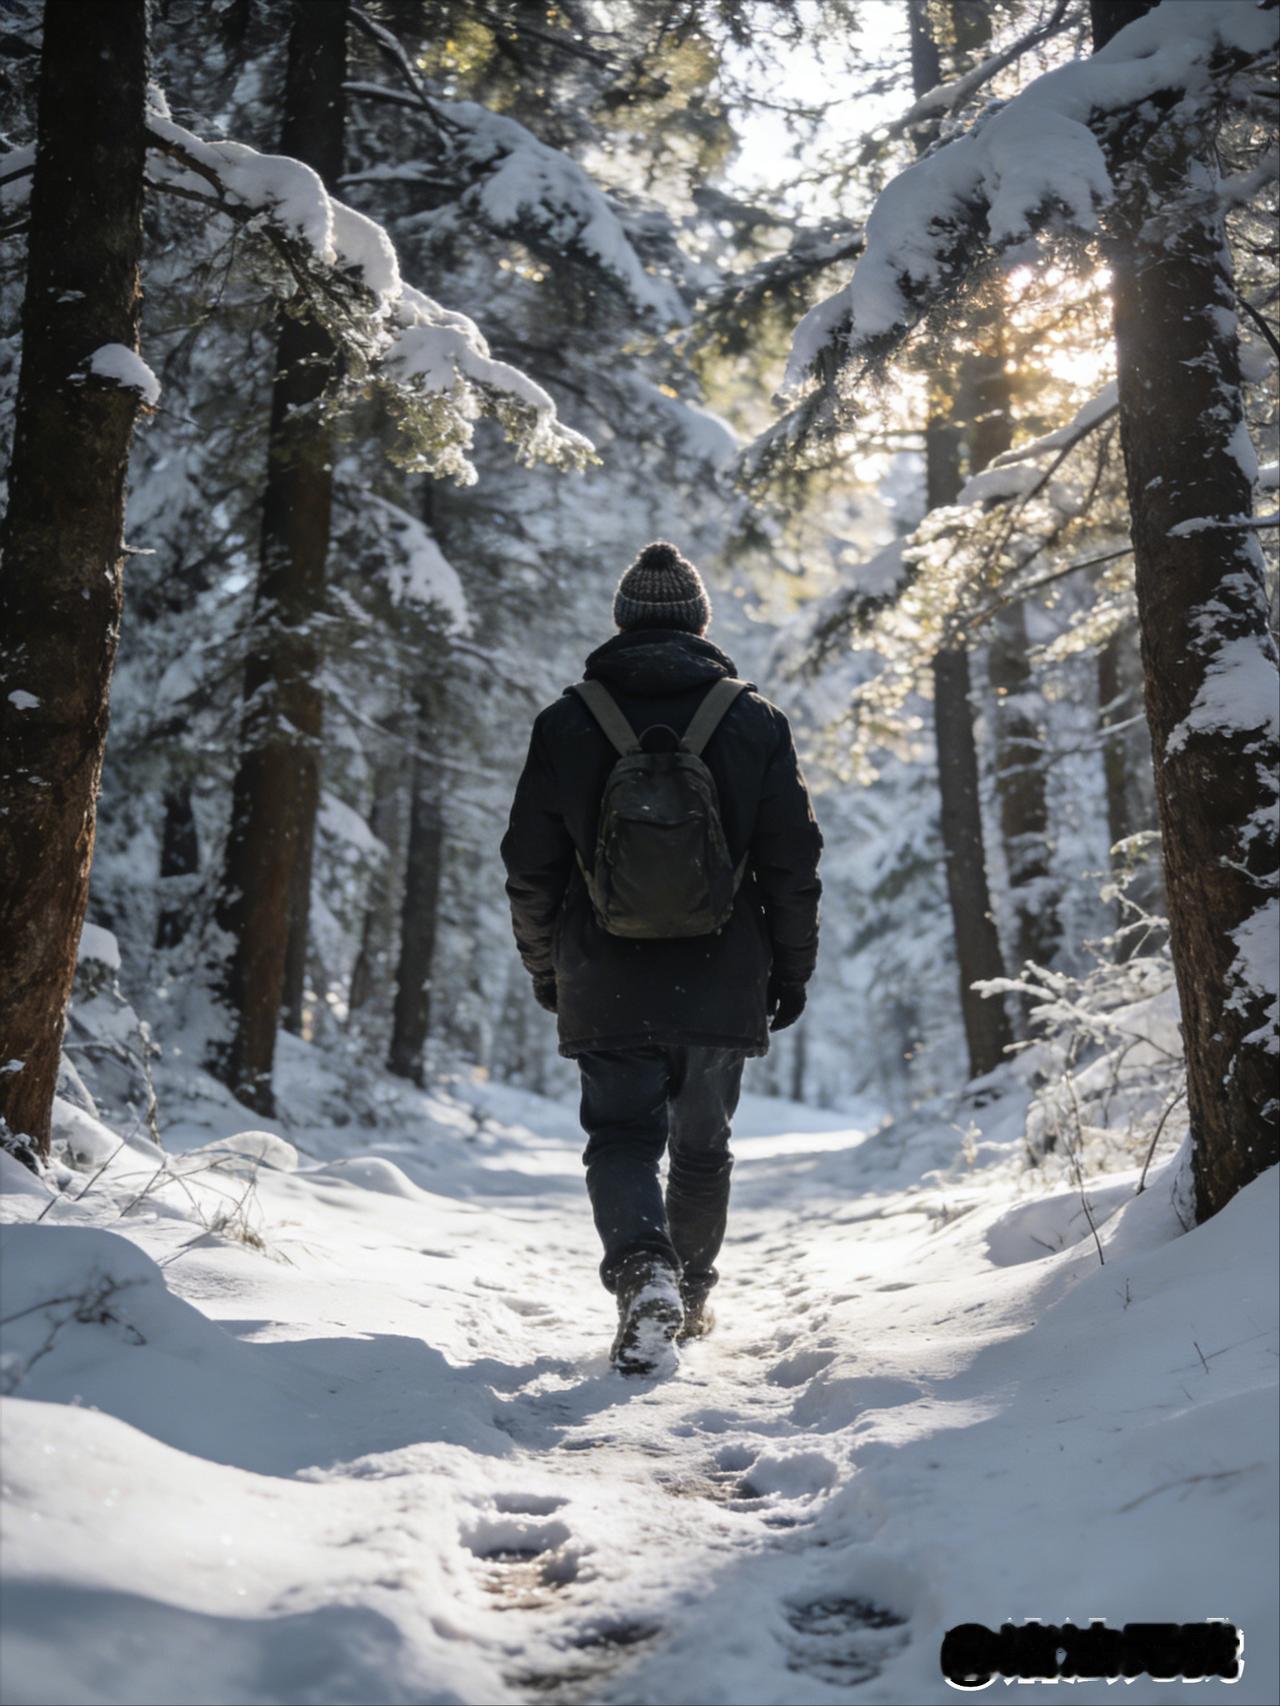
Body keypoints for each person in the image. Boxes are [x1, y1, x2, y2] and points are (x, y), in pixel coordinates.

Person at [500, 540, 822, 1373]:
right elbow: (792, 865)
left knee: (621, 1139)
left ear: (621, 622)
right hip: (722, 973)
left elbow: (529, 868)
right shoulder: (752, 720)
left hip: (603, 974)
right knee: (702, 1147)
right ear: (699, 624)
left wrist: (547, 968)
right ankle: (693, 1293)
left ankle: (645, 1273)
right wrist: (790, 971)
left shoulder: (567, 722)